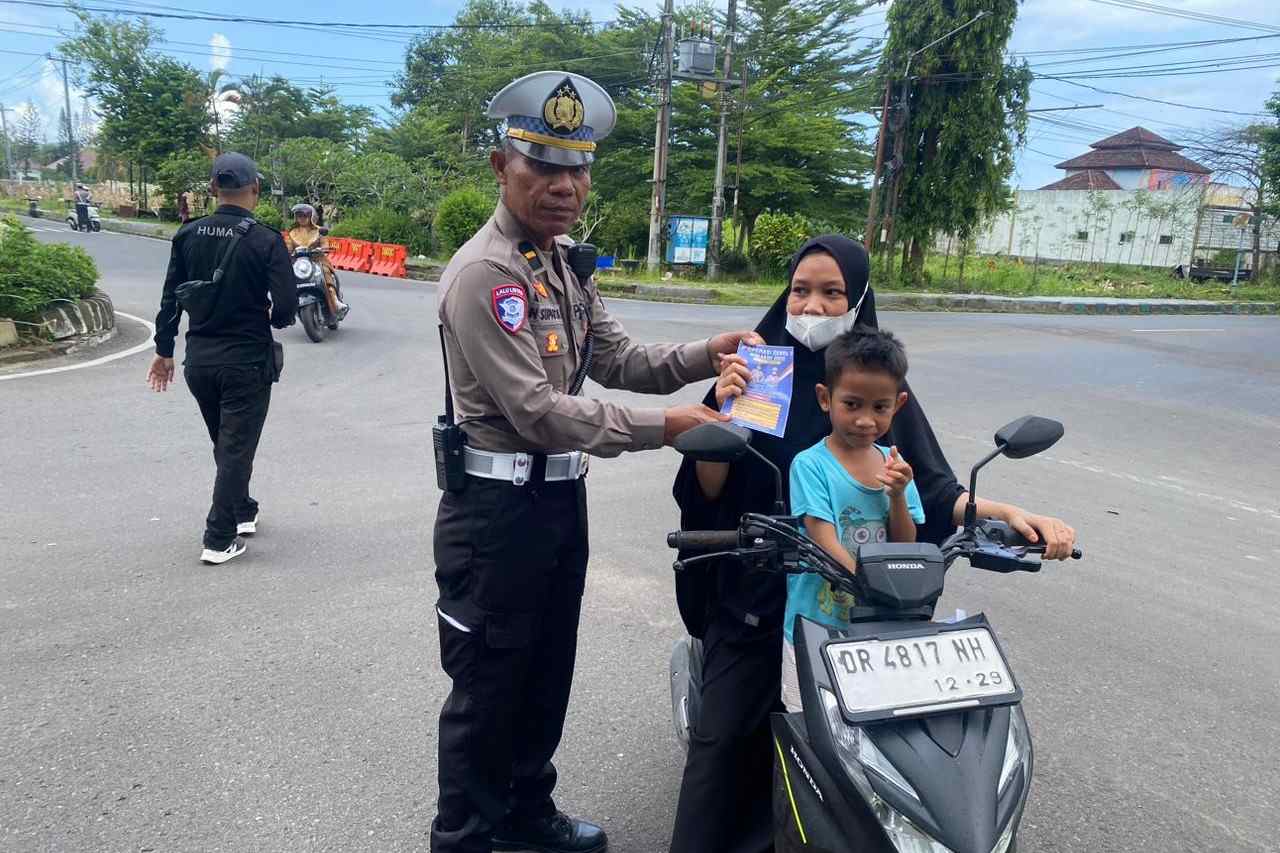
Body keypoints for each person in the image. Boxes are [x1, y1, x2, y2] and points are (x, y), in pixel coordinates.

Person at [431, 70, 760, 853]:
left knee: (546, 669)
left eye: (577, 167)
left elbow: (615, 355)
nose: (564, 184)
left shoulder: (561, 261)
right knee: (487, 685)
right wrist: (669, 427)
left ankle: (525, 813)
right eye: (542, 164)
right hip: (495, 515)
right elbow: (538, 412)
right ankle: (468, 837)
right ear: (499, 166)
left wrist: (702, 352)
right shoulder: (488, 275)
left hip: (554, 506)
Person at [668, 235, 1076, 853]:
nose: (812, 306)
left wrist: (1014, 512)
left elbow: (934, 494)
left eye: (832, 293)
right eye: (800, 290)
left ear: (857, 300)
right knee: (723, 740)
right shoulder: (755, 376)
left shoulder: (876, 389)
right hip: (759, 574)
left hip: (862, 590)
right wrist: (722, 418)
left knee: (922, 730)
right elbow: (707, 492)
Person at [146, 152, 298, 565]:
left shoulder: (187, 234)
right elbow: (286, 307)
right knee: (235, 446)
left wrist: (164, 351)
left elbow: (170, 299)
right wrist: (271, 314)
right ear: (256, 189)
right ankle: (218, 537)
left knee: (228, 441)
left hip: (200, 362)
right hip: (246, 362)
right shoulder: (266, 239)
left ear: (213, 189)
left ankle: (242, 510)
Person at [781, 326, 924, 712]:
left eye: (880, 407)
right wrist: (872, 586)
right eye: (852, 404)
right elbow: (821, 538)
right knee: (811, 719)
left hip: (876, 625)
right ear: (825, 399)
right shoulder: (811, 465)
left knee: (872, 716)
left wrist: (896, 495)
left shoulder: (894, 466)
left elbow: (904, 544)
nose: (865, 420)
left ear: (899, 404)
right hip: (816, 625)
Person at [284, 202, 347, 319]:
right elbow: (288, 248)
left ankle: (335, 301)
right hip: (300, 263)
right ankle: (286, 307)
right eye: (299, 215)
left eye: (304, 215)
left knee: (325, 272)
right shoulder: (292, 232)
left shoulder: (319, 230)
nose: (302, 218)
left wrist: (323, 248)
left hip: (318, 260)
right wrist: (285, 253)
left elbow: (325, 243)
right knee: (287, 277)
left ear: (311, 217)